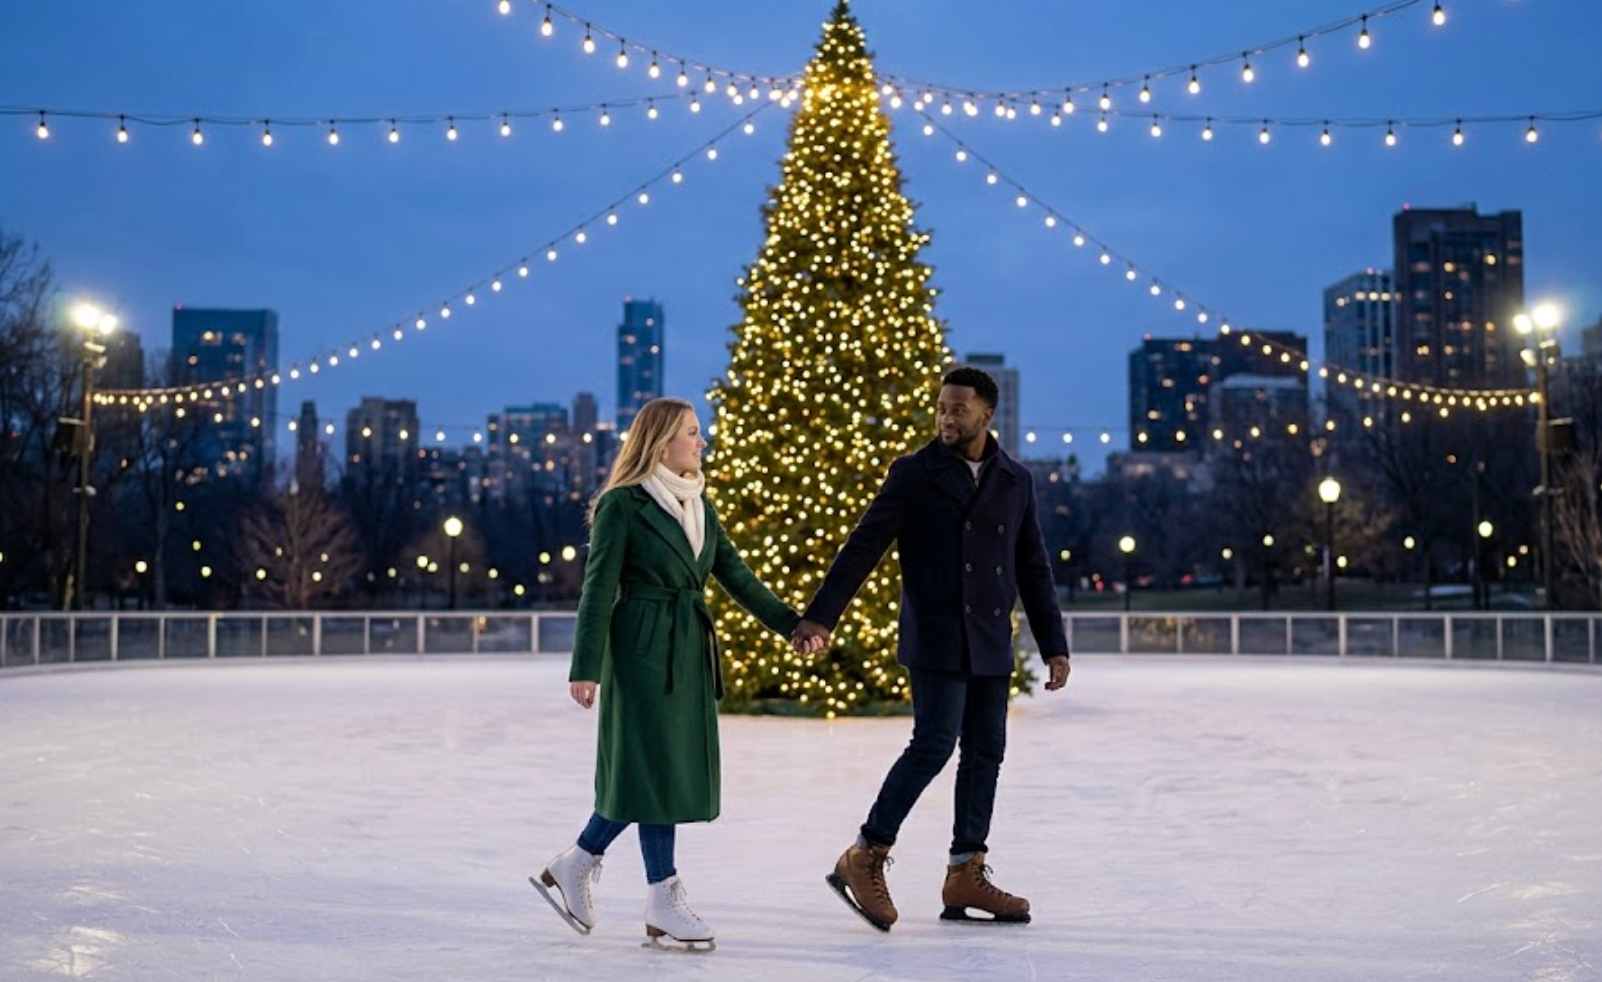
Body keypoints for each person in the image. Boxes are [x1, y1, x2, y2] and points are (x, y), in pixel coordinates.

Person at [792, 366, 1072, 931]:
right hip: (936, 636)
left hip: (989, 640)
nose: (946, 417)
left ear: (986, 414)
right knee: (933, 744)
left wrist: (1054, 644)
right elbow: (864, 546)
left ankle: (966, 871)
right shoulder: (914, 474)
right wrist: (821, 615)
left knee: (986, 752)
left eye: (958, 409)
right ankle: (865, 854)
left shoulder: (1015, 481)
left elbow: (1032, 565)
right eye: (942, 407)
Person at [531, 397, 814, 951]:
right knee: (652, 770)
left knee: (661, 770)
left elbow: (737, 576)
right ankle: (660, 894)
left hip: (686, 648)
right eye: (691, 432)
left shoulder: (700, 505)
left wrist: (793, 626)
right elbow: (597, 589)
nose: (701, 442)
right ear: (662, 443)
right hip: (639, 651)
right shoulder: (622, 505)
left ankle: (580, 861)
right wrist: (585, 666)